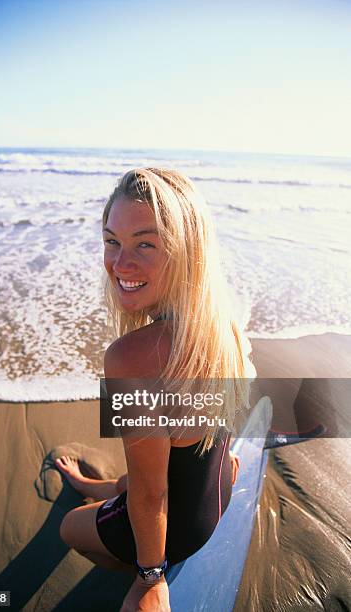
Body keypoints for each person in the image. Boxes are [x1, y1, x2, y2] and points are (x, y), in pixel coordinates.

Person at [55, 168, 251, 611]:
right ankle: (97, 486)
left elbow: (150, 493)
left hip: (174, 530)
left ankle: (109, 516)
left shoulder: (131, 357)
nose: (120, 264)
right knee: (141, 466)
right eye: (112, 241)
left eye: (145, 243)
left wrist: (149, 577)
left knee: (71, 528)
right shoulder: (223, 325)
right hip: (215, 492)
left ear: (187, 252)